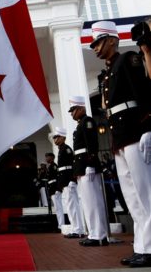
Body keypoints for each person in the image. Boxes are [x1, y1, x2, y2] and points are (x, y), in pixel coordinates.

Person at [91, 20, 151, 266]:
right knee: (131, 195)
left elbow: (145, 93)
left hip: (135, 131)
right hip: (119, 137)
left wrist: (148, 127)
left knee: (145, 192)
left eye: (99, 42)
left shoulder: (127, 60)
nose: (94, 48)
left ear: (113, 40)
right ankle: (142, 246)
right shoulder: (107, 72)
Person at [68, 95, 109, 247]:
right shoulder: (80, 124)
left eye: (73, 110)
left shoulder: (88, 121)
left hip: (87, 165)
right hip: (81, 166)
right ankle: (93, 233)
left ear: (81, 108)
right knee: (87, 202)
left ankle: (100, 235)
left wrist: (90, 164)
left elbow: (92, 144)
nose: (72, 114)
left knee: (94, 201)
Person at [53, 126, 85, 239]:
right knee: (70, 206)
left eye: (56, 137)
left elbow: (72, 165)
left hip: (68, 181)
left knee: (73, 206)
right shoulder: (61, 149)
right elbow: (61, 170)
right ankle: (76, 228)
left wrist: (72, 180)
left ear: (62, 137)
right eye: (54, 137)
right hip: (64, 182)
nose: (55, 139)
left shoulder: (66, 149)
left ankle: (78, 230)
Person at [45, 151, 64, 230]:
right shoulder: (49, 167)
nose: (46, 158)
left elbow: (57, 178)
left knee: (59, 208)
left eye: (48, 157)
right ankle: (60, 225)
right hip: (52, 189)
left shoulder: (54, 166)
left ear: (52, 158)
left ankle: (61, 225)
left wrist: (58, 189)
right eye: (46, 157)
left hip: (55, 189)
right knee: (57, 208)